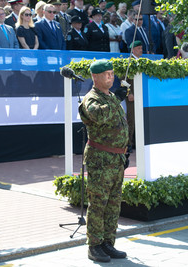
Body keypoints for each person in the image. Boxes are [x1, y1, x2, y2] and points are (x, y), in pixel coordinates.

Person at [78, 59, 129, 263]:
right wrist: (117, 98)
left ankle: (108, 242)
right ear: (95, 77)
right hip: (100, 160)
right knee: (98, 203)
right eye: (107, 74)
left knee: (113, 203)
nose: (111, 76)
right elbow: (99, 116)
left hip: (115, 158)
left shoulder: (110, 97)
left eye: (112, 73)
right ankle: (95, 245)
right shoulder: (91, 99)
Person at [125, 40, 142, 152]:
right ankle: (128, 144)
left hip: (140, 94)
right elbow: (124, 79)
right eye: (139, 48)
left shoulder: (141, 61)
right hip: (132, 96)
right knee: (131, 120)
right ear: (133, 50)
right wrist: (129, 93)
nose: (141, 50)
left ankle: (137, 142)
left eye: (141, 48)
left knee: (139, 119)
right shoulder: (128, 62)